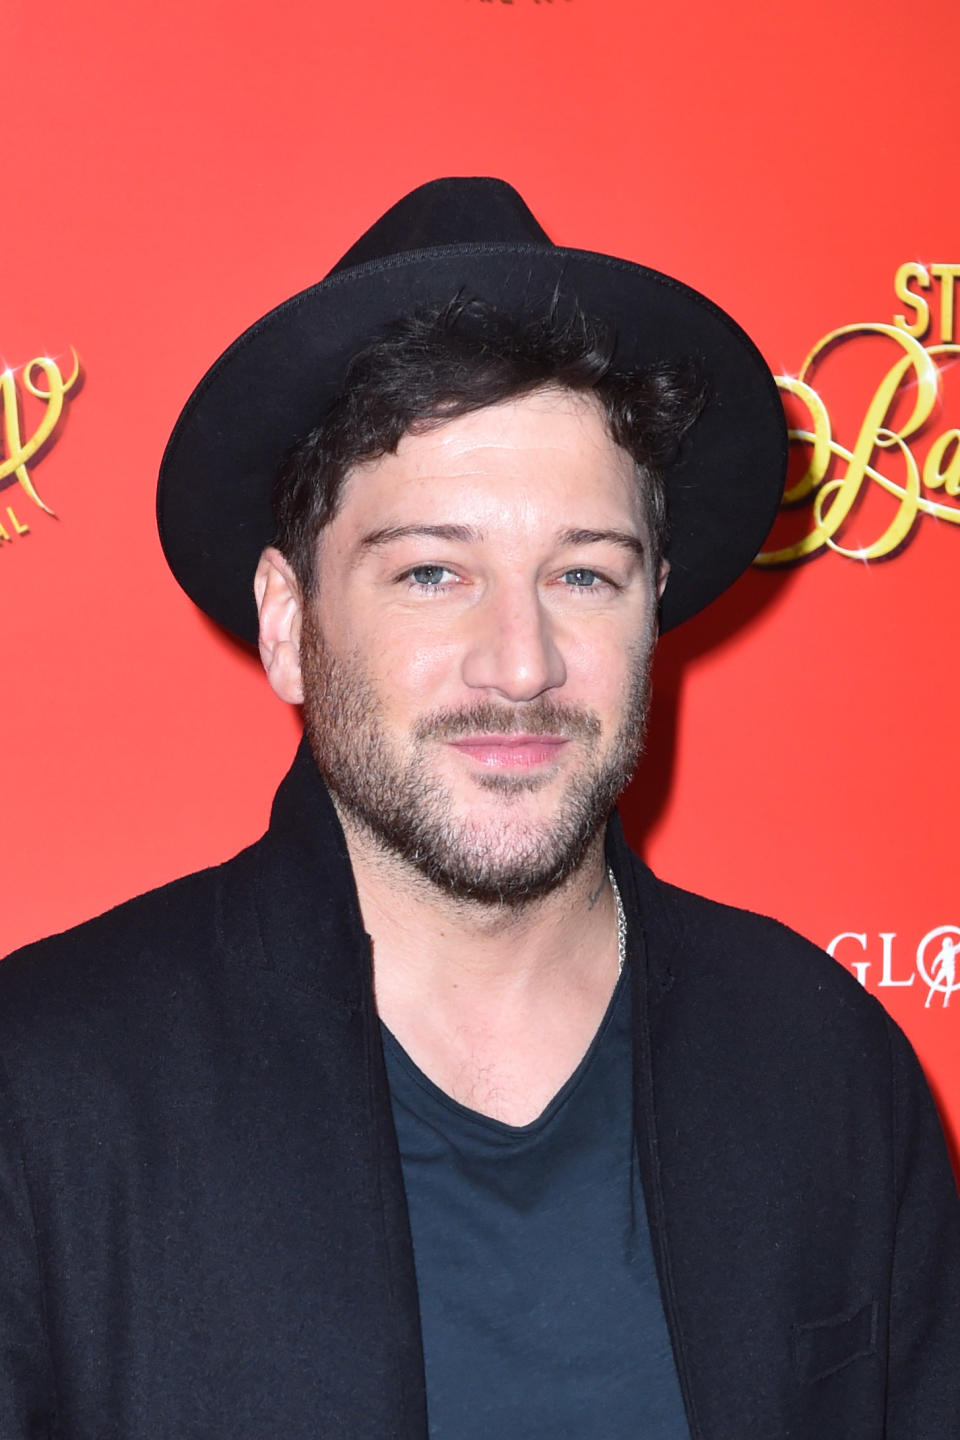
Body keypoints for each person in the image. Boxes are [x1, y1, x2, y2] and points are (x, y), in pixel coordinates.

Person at [1, 177, 958, 1440]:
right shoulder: (45, 1090)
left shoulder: (825, 1068)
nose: (522, 662)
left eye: (582, 572)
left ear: (653, 608)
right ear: (289, 627)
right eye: (434, 572)